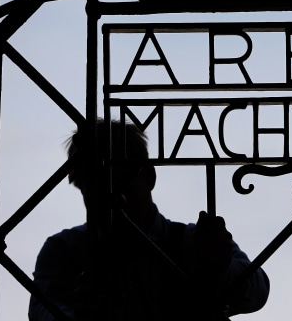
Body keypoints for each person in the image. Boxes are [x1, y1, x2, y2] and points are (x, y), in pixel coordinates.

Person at [29, 120, 269, 321]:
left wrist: (220, 269)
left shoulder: (193, 242)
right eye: (98, 196)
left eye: (123, 192)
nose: (115, 207)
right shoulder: (63, 250)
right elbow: (44, 309)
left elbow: (257, 289)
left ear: (149, 177)